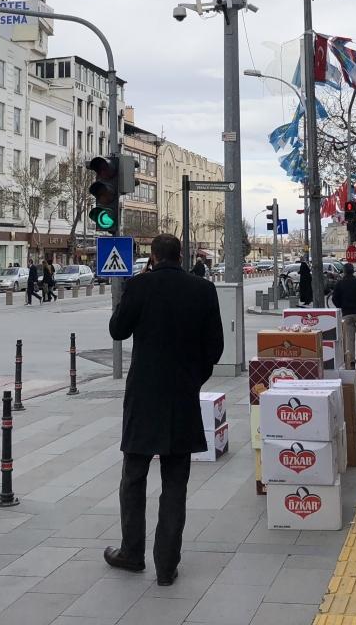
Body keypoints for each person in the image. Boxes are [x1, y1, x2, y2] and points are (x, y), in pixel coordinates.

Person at [105, 233, 224, 586]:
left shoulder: (140, 286)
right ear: (182, 255)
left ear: (153, 257)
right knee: (175, 481)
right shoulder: (203, 289)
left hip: (144, 395)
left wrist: (136, 286)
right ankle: (167, 565)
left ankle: (131, 552)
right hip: (181, 396)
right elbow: (214, 348)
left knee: (133, 476)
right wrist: (193, 378)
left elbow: (117, 330)